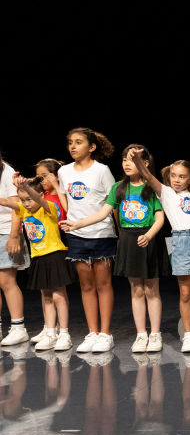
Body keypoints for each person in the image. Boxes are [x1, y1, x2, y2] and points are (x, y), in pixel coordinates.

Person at [60, 145, 168, 352]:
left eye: (132, 159)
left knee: (151, 289)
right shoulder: (118, 187)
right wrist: (77, 224)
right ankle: (141, 334)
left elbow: (160, 218)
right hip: (128, 239)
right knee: (136, 289)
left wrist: (148, 235)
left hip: (148, 238)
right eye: (124, 159)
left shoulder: (152, 187)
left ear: (145, 163)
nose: (127, 163)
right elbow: (103, 213)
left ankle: (155, 334)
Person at [130, 148, 190, 352]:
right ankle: (188, 335)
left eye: (182, 176)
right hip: (181, 242)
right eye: (174, 175)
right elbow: (147, 176)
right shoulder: (166, 193)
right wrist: (137, 160)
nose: (176, 180)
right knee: (185, 293)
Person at [57, 128, 117, 351]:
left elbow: (112, 202)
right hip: (76, 235)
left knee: (103, 284)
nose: (72, 146)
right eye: (70, 142)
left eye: (78, 142)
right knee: (86, 285)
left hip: (101, 233)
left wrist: (119, 232)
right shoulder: (64, 171)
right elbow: (67, 200)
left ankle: (105, 334)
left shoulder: (102, 171)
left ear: (91, 147)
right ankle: (92, 333)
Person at [8, 177, 74, 350]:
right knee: (46, 296)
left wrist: (25, 187)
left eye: (29, 199)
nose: (26, 203)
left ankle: (64, 334)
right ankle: (51, 332)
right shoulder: (24, 210)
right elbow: (7, 202)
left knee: (58, 295)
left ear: (41, 195)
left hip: (54, 255)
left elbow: (39, 200)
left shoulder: (48, 207)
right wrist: (20, 190)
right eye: (23, 200)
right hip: (38, 257)